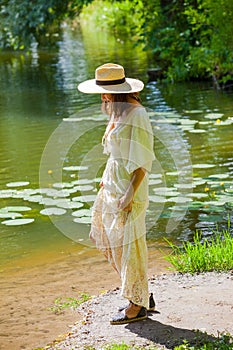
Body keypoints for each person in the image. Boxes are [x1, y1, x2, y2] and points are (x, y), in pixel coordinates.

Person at [78, 63, 155, 325]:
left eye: (106, 92)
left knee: (130, 244)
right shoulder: (119, 112)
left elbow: (142, 161)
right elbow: (116, 154)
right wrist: (104, 180)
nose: (102, 97)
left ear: (119, 91)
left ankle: (137, 305)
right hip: (111, 184)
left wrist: (129, 194)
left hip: (128, 188)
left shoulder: (138, 115)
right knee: (102, 234)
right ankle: (141, 292)